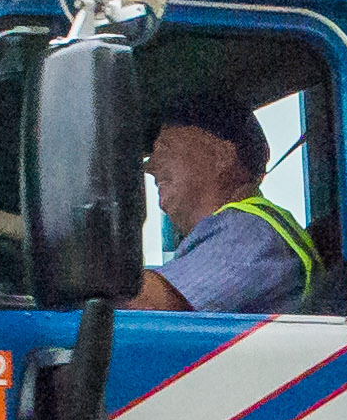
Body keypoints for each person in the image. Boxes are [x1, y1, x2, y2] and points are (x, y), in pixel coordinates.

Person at [135, 95, 319, 314]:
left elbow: (147, 305)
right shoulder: (242, 229)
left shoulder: (249, 231)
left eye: (164, 149)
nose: (150, 167)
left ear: (220, 156)